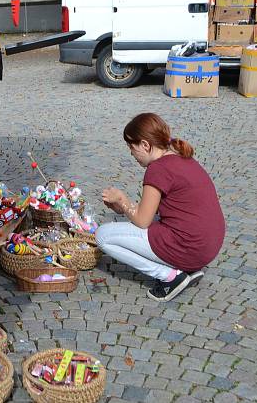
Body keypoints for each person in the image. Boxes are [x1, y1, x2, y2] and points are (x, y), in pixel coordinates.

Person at [96, 113, 225, 302]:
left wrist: (122, 200)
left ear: (145, 145)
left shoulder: (158, 169)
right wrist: (120, 207)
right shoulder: (180, 156)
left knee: (103, 235)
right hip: (207, 246)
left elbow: (142, 220)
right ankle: (183, 268)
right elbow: (153, 210)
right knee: (134, 227)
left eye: (131, 147)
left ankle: (169, 276)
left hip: (190, 247)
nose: (131, 154)